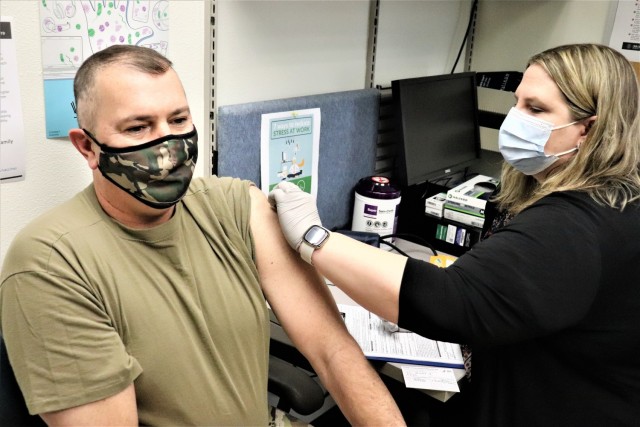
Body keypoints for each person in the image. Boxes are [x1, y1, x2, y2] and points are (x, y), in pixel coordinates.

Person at [0, 44, 406, 426]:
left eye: (178, 120)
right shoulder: (50, 265)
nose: (169, 145)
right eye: (139, 128)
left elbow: (332, 349)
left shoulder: (234, 206)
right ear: (87, 147)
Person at [269, 43, 640, 426]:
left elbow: (451, 300)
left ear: (589, 129)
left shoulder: (576, 223)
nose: (515, 118)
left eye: (536, 109)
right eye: (518, 102)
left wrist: (315, 238)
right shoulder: (621, 199)